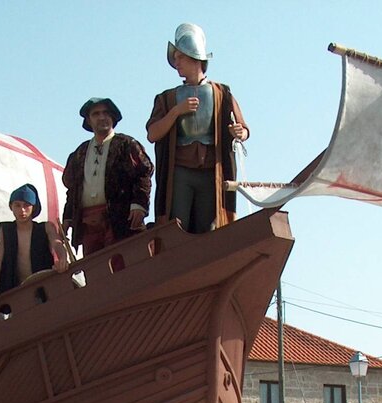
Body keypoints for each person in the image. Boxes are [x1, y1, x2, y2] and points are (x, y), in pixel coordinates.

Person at [146, 23, 249, 234]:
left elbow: (243, 129)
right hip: (181, 172)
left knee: (209, 228)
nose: (176, 63)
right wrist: (176, 112)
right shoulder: (168, 98)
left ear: (195, 57)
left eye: (180, 57)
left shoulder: (222, 93)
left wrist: (240, 132)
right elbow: (153, 134)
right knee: (177, 227)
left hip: (211, 172)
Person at [62, 98, 154, 255]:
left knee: (122, 267)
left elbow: (143, 173)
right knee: (95, 271)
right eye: (96, 114)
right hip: (89, 222)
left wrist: (139, 205)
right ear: (89, 120)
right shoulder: (79, 153)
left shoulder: (127, 144)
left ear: (113, 117)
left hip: (120, 219)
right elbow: (73, 188)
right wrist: (68, 217)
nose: (101, 117)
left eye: (106, 113)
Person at [0, 184, 68, 294]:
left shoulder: (46, 227)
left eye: (26, 205)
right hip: (14, 289)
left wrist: (62, 259)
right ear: (11, 207)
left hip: (44, 286)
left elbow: (57, 243)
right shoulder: (6, 230)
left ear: (33, 207)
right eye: (17, 205)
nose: (22, 210)